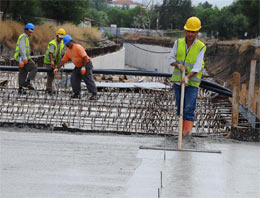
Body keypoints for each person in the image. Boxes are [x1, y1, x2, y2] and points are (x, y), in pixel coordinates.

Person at [168, 16, 206, 137]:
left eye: (193, 31)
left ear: (197, 32)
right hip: (178, 82)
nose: (190, 34)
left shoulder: (201, 46)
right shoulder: (178, 43)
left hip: (192, 83)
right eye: (188, 31)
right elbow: (171, 59)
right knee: (180, 108)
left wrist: (187, 77)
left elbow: (197, 66)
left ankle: (186, 135)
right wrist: (178, 65)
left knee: (188, 108)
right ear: (185, 30)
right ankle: (181, 131)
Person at [56, 35, 97, 100]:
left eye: (67, 43)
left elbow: (85, 57)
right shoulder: (68, 51)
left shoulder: (78, 47)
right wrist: (57, 68)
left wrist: (84, 67)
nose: (67, 45)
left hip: (86, 64)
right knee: (74, 78)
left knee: (87, 78)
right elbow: (63, 61)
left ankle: (94, 94)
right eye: (66, 44)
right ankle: (76, 94)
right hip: (78, 66)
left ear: (71, 41)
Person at [14, 23, 38, 94]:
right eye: (30, 31)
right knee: (34, 68)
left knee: (23, 72)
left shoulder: (24, 37)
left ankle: (20, 88)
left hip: (20, 58)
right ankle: (28, 82)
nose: (31, 33)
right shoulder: (24, 37)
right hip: (23, 58)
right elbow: (22, 48)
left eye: (32, 32)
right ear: (26, 30)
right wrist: (24, 58)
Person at [43, 28, 66, 94]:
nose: (61, 39)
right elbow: (50, 53)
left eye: (62, 38)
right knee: (50, 75)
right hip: (48, 61)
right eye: (60, 38)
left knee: (52, 75)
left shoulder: (61, 44)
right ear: (57, 36)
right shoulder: (52, 43)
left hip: (55, 61)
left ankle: (49, 88)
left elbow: (61, 54)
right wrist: (52, 61)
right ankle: (49, 89)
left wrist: (62, 61)